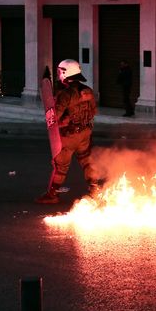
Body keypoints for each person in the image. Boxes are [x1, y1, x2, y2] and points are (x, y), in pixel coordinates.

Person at [35, 59, 104, 204]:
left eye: (60, 71)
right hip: (85, 133)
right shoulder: (88, 91)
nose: (59, 74)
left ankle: (52, 194)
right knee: (86, 160)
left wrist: (58, 119)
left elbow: (55, 117)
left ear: (66, 73)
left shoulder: (65, 94)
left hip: (69, 135)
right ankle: (94, 189)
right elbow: (94, 111)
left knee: (61, 166)